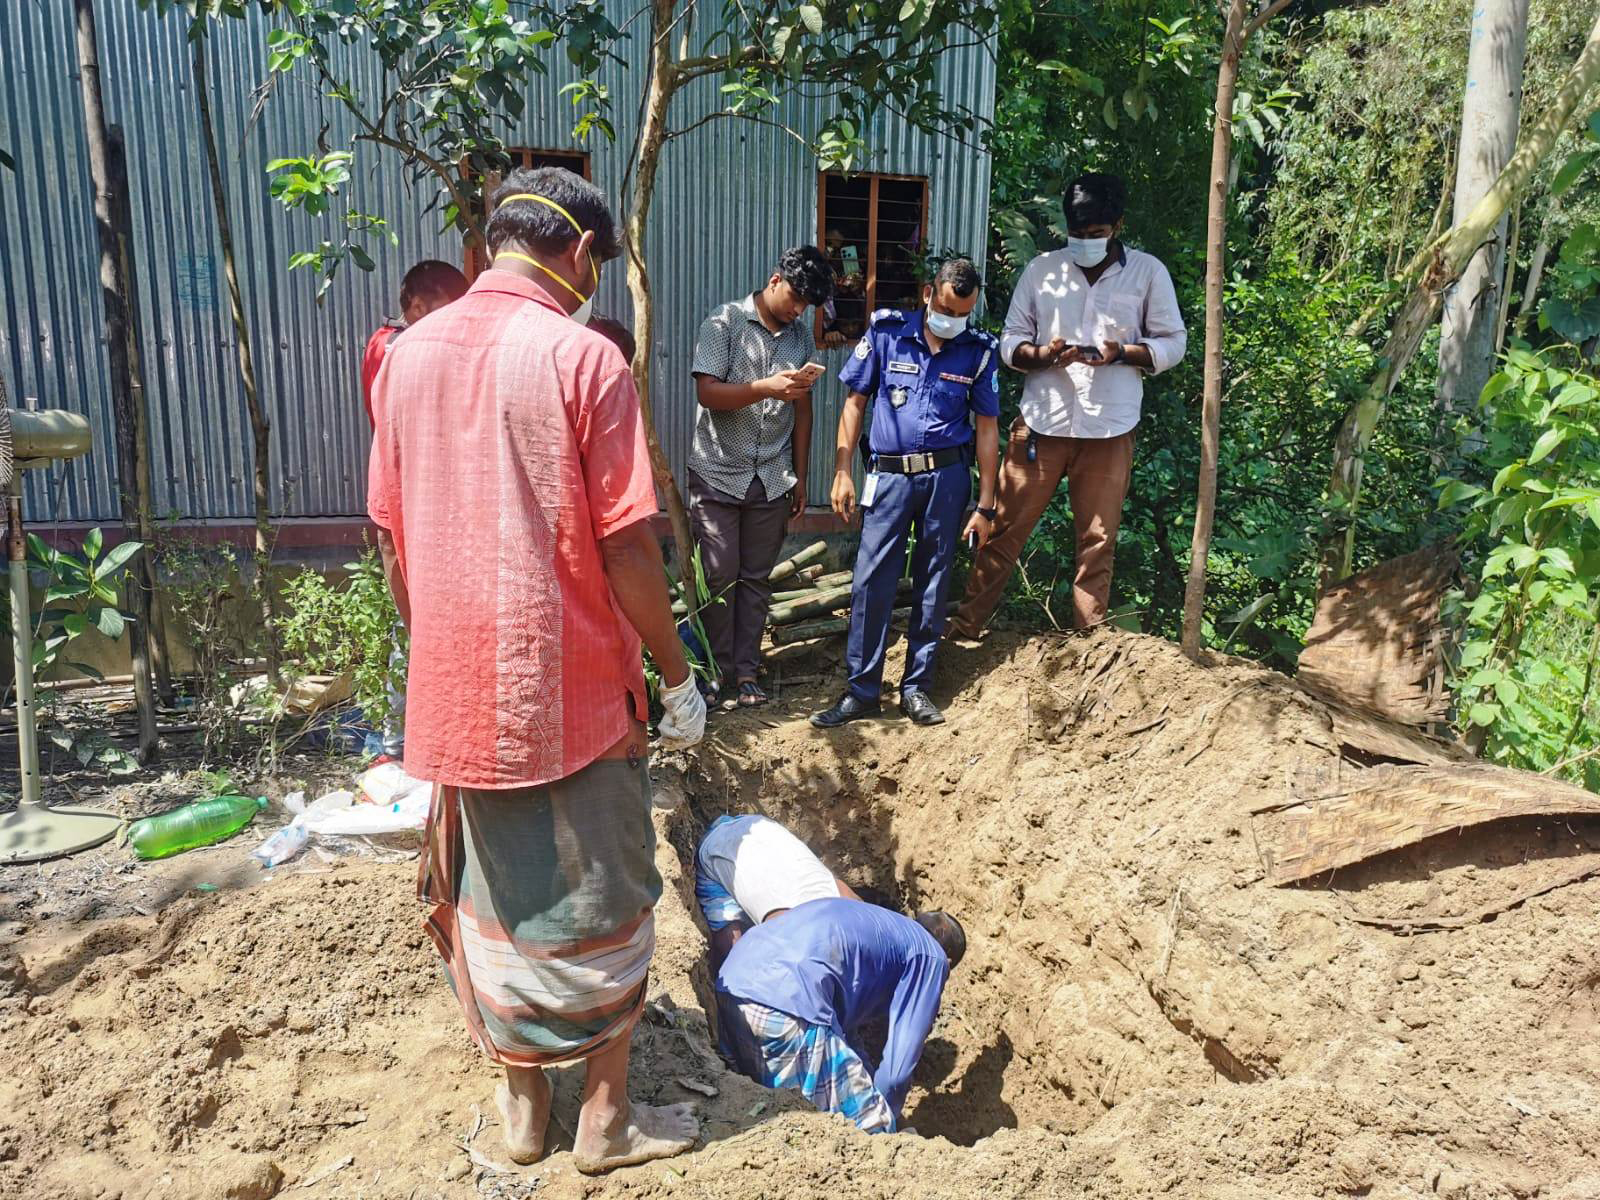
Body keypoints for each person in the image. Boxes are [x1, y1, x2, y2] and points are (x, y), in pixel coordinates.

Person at [366, 166, 706, 1174]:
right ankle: (603, 1119)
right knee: (603, 901)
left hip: (456, 693)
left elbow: (390, 541)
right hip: (574, 690)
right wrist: (675, 674)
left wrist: (438, 653)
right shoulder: (583, 358)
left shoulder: (407, 355)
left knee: (495, 898)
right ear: (583, 253)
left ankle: (522, 1113)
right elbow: (626, 546)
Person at [947, 173, 1187, 638]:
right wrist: (1041, 355)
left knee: (1098, 541)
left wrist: (1124, 352)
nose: (1085, 242)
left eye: (1096, 233)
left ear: (1118, 226)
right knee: (1004, 529)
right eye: (1077, 233)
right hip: (1041, 424)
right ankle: (966, 628)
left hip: (1109, 429)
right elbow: (1010, 340)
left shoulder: (1148, 273)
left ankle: (1088, 646)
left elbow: (1174, 342)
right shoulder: (1042, 271)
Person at [811, 257, 1001, 730]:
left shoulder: (978, 351)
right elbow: (854, 404)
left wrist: (986, 505)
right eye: (947, 310)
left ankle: (916, 688)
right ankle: (862, 691)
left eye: (964, 314)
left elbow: (987, 429)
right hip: (890, 478)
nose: (954, 321)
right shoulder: (886, 332)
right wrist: (842, 471)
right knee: (871, 580)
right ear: (928, 295)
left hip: (946, 480)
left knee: (933, 582)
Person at [688, 246, 836, 708]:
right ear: (775, 281)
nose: (798, 310)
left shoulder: (800, 339)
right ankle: (716, 672)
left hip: (772, 476)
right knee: (718, 575)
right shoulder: (724, 322)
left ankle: (747, 671)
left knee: (755, 578)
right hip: (717, 473)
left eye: (807, 305)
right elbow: (708, 393)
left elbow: (803, 411)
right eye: (795, 298)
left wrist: (801, 476)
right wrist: (765, 389)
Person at [714, 899, 965, 1134]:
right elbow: (897, 1070)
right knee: (867, 1127)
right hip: (786, 1004)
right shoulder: (931, 955)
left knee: (775, 1113)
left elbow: (846, 1034)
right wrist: (887, 1120)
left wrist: (867, 1081)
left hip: (733, 988)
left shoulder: (879, 928)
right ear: (948, 960)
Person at [694, 813, 863, 969]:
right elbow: (734, 951)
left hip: (757, 829)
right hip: (729, 841)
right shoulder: (789, 935)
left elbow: (733, 945)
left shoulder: (849, 906)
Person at [359, 259, 467, 427]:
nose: (459, 321)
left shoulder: (381, 339)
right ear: (418, 307)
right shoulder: (396, 347)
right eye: (451, 312)